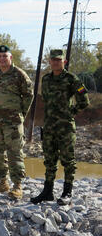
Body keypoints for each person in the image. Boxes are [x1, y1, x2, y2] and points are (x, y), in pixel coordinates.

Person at [31, 49, 89, 205]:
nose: (56, 62)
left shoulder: (72, 79)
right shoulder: (46, 79)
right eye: (53, 60)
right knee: (49, 160)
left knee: (68, 160)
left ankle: (67, 192)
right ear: (49, 62)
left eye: (59, 60)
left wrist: (71, 112)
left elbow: (84, 100)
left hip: (65, 127)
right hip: (49, 126)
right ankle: (47, 191)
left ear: (64, 62)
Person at [0, 45, 34, 200]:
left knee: (14, 152)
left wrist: (21, 114)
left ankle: (17, 186)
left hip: (12, 121)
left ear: (10, 57)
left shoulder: (19, 74)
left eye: (4, 56)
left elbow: (28, 96)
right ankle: (2, 182)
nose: (1, 59)